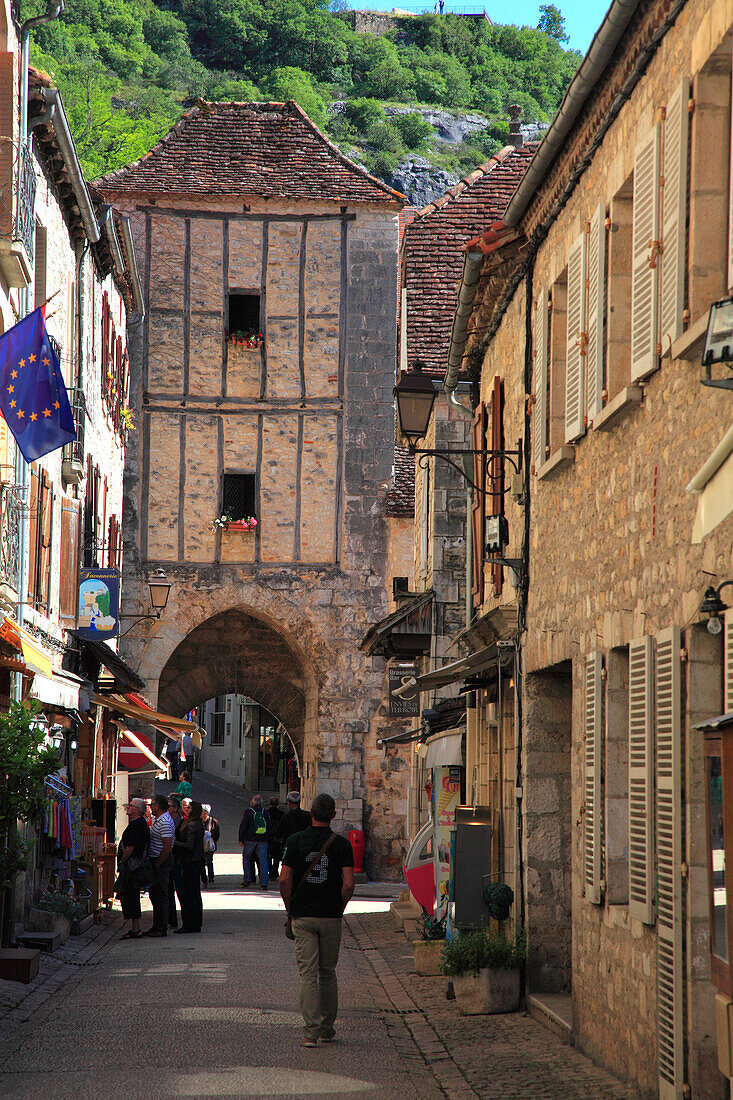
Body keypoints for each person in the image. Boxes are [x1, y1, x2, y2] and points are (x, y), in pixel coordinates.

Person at [279, 793, 355, 1047]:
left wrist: (291, 907)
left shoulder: (295, 841)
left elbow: (284, 880)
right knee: (328, 973)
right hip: (330, 915)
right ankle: (327, 1028)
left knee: (308, 974)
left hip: (303, 915)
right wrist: (340, 907)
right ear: (333, 815)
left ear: (311, 813)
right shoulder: (342, 845)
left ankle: (310, 1032)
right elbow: (348, 884)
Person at [117, 798, 150, 940]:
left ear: (137, 810)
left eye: (130, 806)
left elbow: (131, 847)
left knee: (131, 895)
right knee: (130, 894)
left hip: (132, 865)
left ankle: (136, 928)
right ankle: (134, 927)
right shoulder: (137, 824)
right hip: (132, 864)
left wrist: (123, 860)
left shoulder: (137, 825)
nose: (128, 808)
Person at [173, 799, 205, 933]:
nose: (188, 809)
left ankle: (190, 923)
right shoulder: (197, 823)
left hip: (190, 861)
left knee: (189, 893)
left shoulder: (192, 825)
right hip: (194, 861)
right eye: (188, 807)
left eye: (191, 808)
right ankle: (195, 923)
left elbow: (189, 845)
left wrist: (174, 843)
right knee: (194, 893)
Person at [145, 794, 175, 937]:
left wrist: (157, 864)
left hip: (161, 861)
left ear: (157, 806)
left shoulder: (165, 822)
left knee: (161, 894)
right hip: (156, 860)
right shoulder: (158, 819)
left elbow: (167, 846)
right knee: (155, 894)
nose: (150, 808)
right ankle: (156, 925)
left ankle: (161, 927)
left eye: (151, 805)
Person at [238, 794, 270, 888]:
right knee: (263, 860)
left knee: (246, 859)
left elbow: (243, 825)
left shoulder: (248, 811)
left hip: (250, 839)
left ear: (252, 802)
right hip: (262, 839)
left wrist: (241, 838)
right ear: (262, 802)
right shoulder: (265, 811)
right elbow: (269, 825)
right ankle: (264, 882)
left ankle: (247, 880)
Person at [168, 794, 182, 928]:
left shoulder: (179, 823)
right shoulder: (169, 821)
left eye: (169, 806)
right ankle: (171, 919)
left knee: (179, 891)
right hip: (170, 859)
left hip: (176, 860)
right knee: (168, 891)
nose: (167, 808)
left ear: (175, 808)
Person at [200, 804, 220, 888]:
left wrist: (211, 840)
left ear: (206, 812)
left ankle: (211, 880)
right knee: (201, 863)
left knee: (209, 862)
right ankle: (204, 881)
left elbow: (217, 833)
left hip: (210, 846)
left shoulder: (213, 821)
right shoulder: (198, 821)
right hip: (200, 846)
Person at [268, 796, 284, 881]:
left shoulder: (266, 813)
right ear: (277, 804)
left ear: (269, 803)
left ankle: (271, 872)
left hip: (268, 837)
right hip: (278, 837)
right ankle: (275, 871)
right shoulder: (282, 814)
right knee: (277, 856)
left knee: (268, 856)